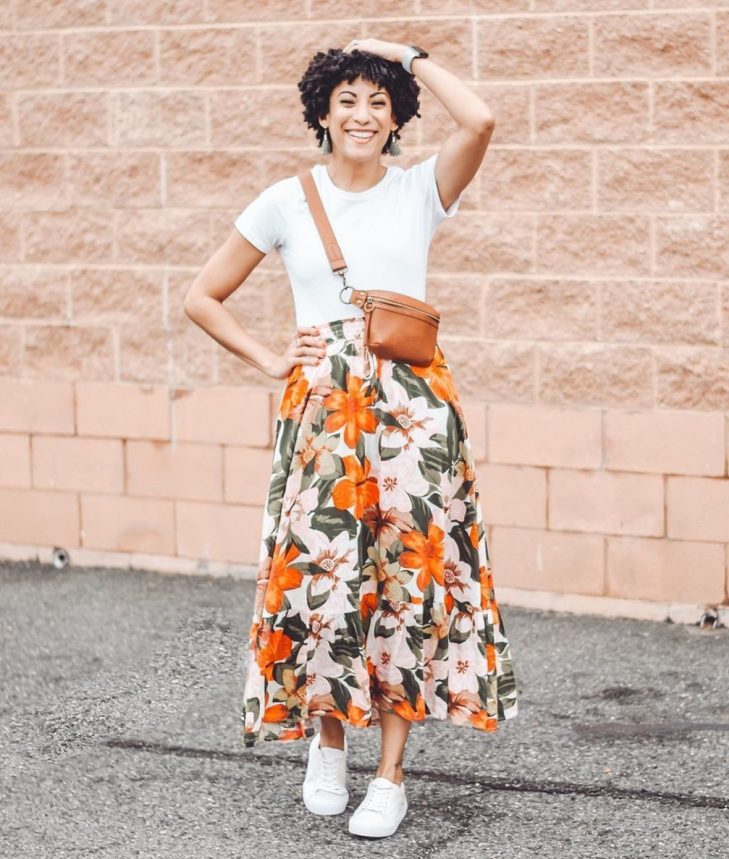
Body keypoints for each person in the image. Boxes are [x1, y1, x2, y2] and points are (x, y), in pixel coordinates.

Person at [184, 37, 519, 839]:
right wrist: (272, 357)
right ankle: (329, 742)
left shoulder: (420, 191)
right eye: (348, 101)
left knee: (408, 582)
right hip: (324, 414)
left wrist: (407, 56)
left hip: (414, 414)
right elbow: (202, 295)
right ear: (323, 115)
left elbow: (480, 120)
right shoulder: (285, 200)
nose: (363, 114)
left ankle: (391, 776)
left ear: (397, 117)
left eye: (379, 101)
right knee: (323, 580)